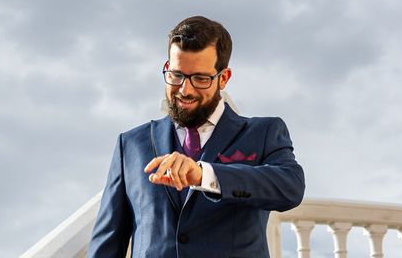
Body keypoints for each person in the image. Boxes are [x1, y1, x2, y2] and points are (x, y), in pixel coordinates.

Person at [87, 16, 305, 258]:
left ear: (223, 78)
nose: (185, 90)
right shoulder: (130, 145)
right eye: (177, 75)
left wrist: (205, 175)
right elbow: (107, 246)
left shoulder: (263, 133)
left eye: (200, 78)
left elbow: (290, 187)